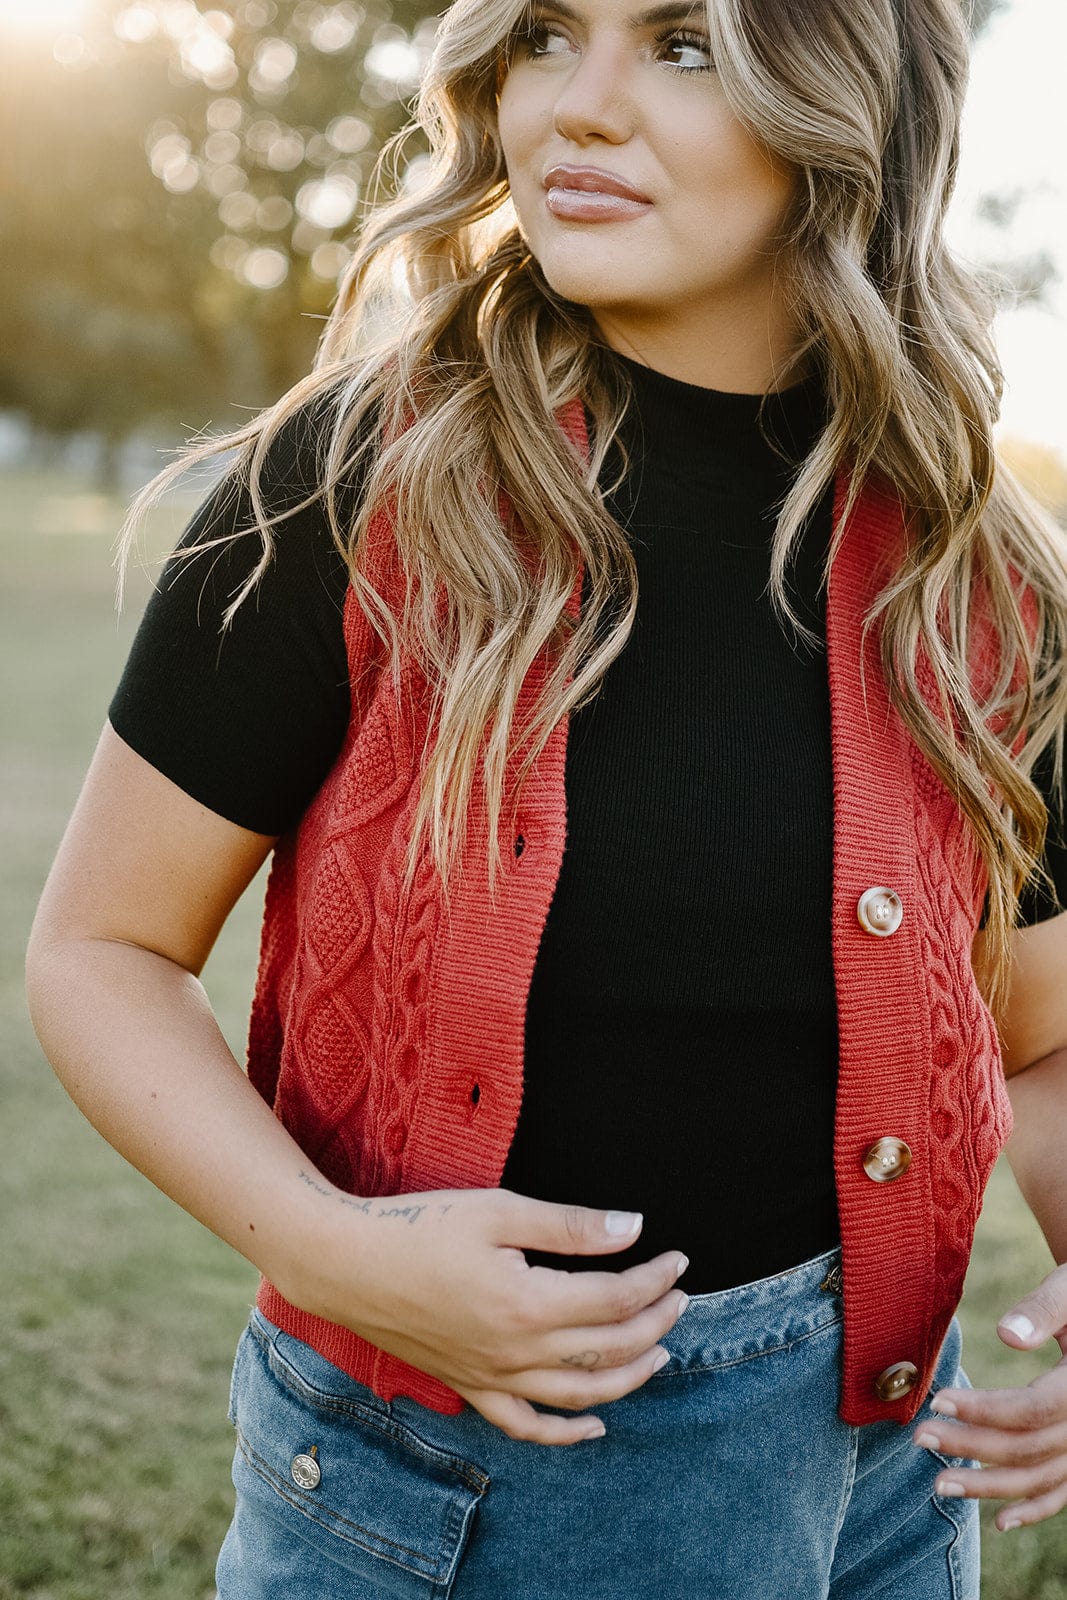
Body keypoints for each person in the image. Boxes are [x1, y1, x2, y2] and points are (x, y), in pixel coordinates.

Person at [24, 0, 1067, 1592]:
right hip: (435, 1490)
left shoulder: (979, 580)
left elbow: (1047, 1039)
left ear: (850, 105)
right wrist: (336, 1254)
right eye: (544, 38)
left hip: (889, 1499)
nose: (575, 107)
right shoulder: (359, 481)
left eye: (682, 45)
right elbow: (100, 953)